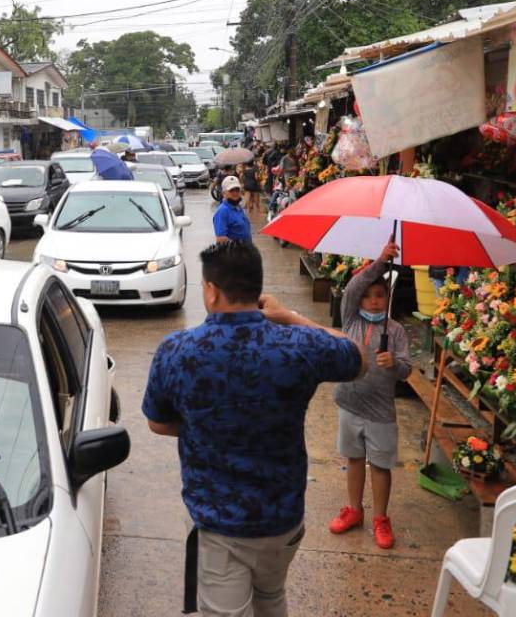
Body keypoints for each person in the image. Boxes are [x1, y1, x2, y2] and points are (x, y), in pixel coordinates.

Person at [143, 241, 366, 617]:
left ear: (212, 290)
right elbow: (358, 358)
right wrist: (291, 316)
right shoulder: (296, 345)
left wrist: (207, 424)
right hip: (282, 517)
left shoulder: (177, 351)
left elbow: (158, 422)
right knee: (271, 596)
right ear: (257, 289)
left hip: (218, 523)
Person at [329, 242, 411, 550]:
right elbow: (352, 286)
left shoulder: (396, 330)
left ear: (388, 298)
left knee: (379, 465)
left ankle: (380, 518)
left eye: (380, 295)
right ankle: (354, 509)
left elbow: (406, 370)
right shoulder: (351, 319)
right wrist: (380, 261)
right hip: (349, 404)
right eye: (369, 296)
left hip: (380, 411)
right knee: (353, 459)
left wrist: (394, 364)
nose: (374, 301)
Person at [213, 176, 251, 243]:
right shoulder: (222, 211)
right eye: (231, 190)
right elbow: (220, 239)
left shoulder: (239, 208)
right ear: (224, 193)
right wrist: (241, 247)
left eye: (237, 190)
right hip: (234, 249)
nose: (235, 193)